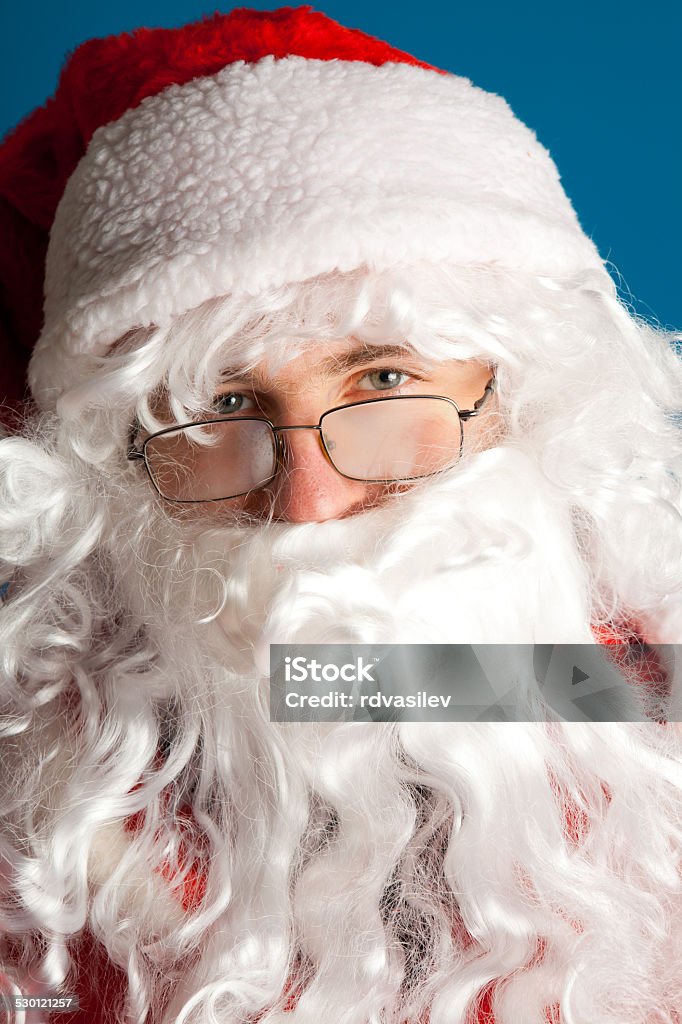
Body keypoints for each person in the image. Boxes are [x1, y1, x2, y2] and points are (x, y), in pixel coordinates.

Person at [0, 8, 681, 1024]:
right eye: (225, 407)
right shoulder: (48, 801)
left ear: (524, 391)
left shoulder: (640, 715)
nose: (310, 504)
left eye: (382, 380)